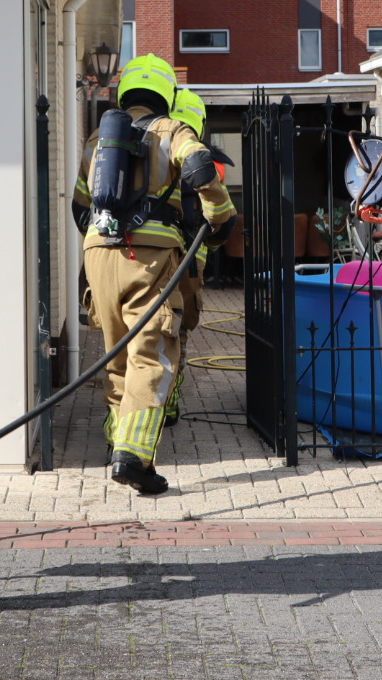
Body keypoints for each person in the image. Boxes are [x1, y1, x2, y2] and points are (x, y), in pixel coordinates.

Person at [72, 56, 234, 494]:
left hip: (97, 255)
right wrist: (221, 213)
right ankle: (134, 457)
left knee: (115, 353)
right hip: (148, 257)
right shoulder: (172, 130)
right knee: (152, 350)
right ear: (166, 94)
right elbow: (200, 167)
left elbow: (78, 207)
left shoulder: (96, 140)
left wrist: (104, 240)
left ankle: (116, 439)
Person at [161, 87, 233, 427]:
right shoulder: (208, 162)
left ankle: (153, 401)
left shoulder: (156, 153)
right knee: (180, 331)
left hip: (154, 255)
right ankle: (170, 400)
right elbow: (223, 224)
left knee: (151, 330)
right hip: (191, 262)